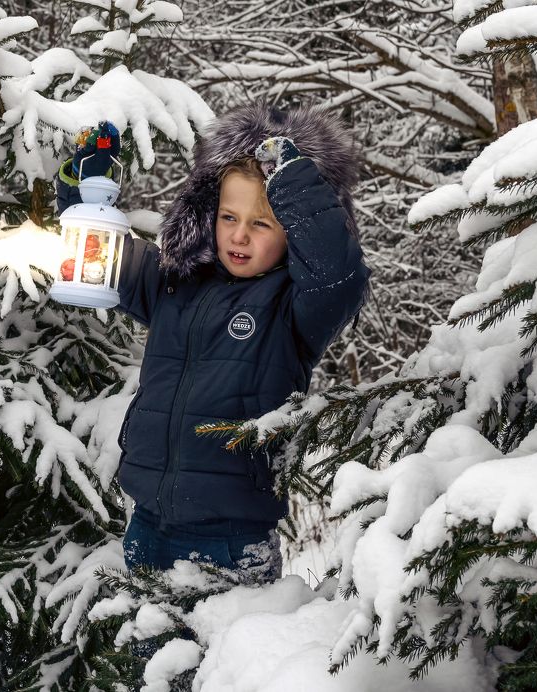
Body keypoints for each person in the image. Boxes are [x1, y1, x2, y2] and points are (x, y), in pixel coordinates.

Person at [55, 105, 370, 581]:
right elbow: (96, 252)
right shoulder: (175, 281)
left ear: (293, 233)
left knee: (226, 655)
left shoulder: (293, 307)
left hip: (231, 538)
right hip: (147, 522)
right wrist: (83, 189)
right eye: (228, 217)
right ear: (207, 214)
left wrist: (298, 186)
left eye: (262, 223)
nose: (239, 235)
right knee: (150, 654)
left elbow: (338, 276)